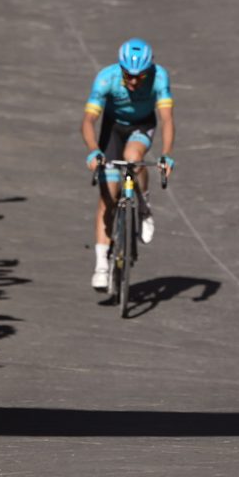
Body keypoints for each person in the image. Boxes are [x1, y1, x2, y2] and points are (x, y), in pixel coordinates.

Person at [81, 38, 176, 290]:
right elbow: (89, 121)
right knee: (108, 198)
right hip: (112, 129)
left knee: (134, 157)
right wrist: (93, 151)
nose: (134, 82)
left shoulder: (159, 77)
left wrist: (166, 154)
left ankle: (143, 203)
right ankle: (101, 263)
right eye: (128, 76)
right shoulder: (106, 78)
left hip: (143, 125)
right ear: (120, 67)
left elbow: (166, 120)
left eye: (140, 76)